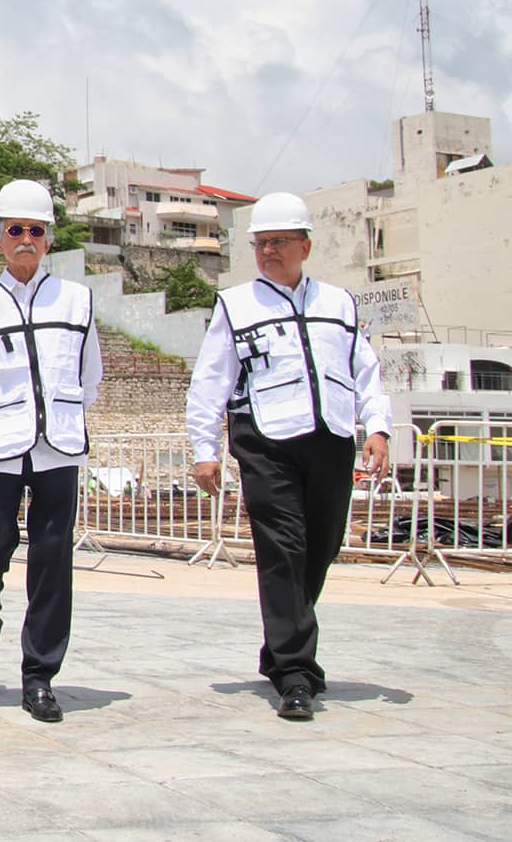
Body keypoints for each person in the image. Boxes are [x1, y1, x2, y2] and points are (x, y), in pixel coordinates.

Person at [186, 191, 390, 721]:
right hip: (265, 440)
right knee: (283, 550)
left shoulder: (339, 303)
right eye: (261, 243)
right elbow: (210, 381)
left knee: (321, 546)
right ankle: (296, 673)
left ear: (305, 245)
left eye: (279, 242)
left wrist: (380, 427)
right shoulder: (236, 304)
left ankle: (279, 647)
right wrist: (204, 449)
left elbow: (365, 370)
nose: (269, 251)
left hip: (330, 439)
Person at [0, 179, 102, 723]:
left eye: (35, 231)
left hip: (59, 447)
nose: (25, 240)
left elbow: (91, 376)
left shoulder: (77, 299)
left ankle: (39, 674)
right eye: (15, 230)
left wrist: (56, 413)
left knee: (52, 563)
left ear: (47, 239)